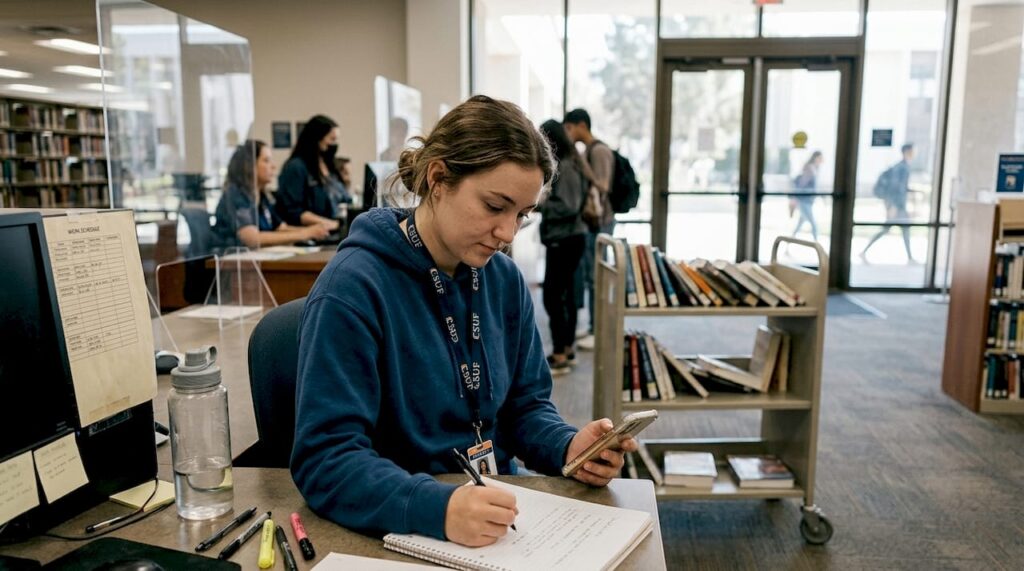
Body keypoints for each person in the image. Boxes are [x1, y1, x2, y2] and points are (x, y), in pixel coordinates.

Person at [291, 95, 637, 548]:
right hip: (403, 525)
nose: (509, 233)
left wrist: (567, 447)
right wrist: (437, 507)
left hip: (498, 517)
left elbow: (524, 408)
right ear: (438, 178)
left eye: (522, 215)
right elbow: (327, 457)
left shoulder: (504, 279)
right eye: (495, 206)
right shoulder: (354, 288)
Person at [538, 119, 588, 376]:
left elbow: (567, 205)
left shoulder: (566, 168)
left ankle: (560, 353)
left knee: (554, 296)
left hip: (565, 238)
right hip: (570, 238)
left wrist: (539, 204)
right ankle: (566, 349)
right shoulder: (573, 164)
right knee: (565, 295)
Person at [212, 140, 330, 249]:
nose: (273, 166)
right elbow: (252, 239)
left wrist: (313, 230)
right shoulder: (236, 194)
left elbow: (281, 228)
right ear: (249, 165)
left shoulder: (262, 197)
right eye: (266, 160)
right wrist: (305, 233)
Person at [563, 108, 615, 351]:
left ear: (582, 125)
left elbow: (603, 185)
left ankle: (599, 330)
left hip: (600, 221)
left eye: (570, 128)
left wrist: (583, 166)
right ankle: (594, 326)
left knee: (596, 277)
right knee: (589, 275)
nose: (568, 133)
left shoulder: (600, 151)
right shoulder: (589, 151)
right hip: (592, 222)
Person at [275, 115, 350, 230]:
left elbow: (343, 198)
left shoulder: (330, 165)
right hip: (312, 234)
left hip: (335, 230)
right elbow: (293, 211)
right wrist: (329, 224)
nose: (334, 145)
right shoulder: (296, 167)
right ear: (318, 138)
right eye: (332, 139)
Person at [862, 143, 915, 262]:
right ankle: (864, 251)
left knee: (902, 229)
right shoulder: (902, 167)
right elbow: (895, 188)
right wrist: (893, 206)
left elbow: (901, 188)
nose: (914, 153)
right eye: (913, 151)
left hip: (898, 205)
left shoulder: (902, 166)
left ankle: (910, 257)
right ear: (907, 151)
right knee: (890, 229)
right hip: (897, 206)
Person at [791, 151, 823, 242]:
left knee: (799, 224)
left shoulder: (815, 169)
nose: (821, 160)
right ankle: (818, 246)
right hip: (804, 201)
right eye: (820, 158)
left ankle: (787, 244)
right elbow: (802, 184)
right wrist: (795, 198)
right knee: (813, 224)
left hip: (808, 201)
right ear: (816, 157)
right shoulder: (810, 168)